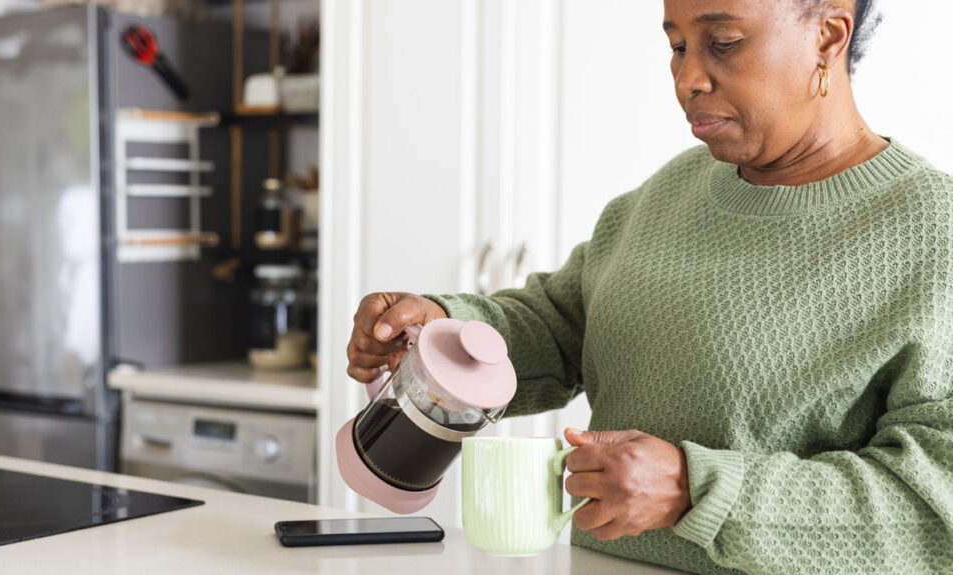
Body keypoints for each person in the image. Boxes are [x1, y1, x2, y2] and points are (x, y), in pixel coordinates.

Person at [346, 0, 953, 573]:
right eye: (678, 45)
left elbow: (935, 510)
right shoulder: (673, 191)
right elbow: (563, 325)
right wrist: (439, 327)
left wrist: (697, 488)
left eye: (723, 43)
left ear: (828, 35)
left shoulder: (933, 232)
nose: (688, 78)